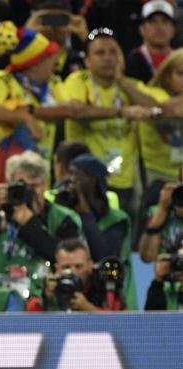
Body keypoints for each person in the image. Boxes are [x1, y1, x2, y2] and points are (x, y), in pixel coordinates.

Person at [63, 28, 160, 218]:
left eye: (113, 52)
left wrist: (121, 80)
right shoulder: (77, 80)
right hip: (86, 178)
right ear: (87, 60)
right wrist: (121, 112)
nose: (108, 58)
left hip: (126, 179)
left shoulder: (129, 84)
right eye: (100, 53)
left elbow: (155, 109)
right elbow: (77, 111)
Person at [0, 150, 81, 298]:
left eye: (35, 186)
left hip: (42, 300)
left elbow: (70, 262)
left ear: (45, 185)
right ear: (8, 184)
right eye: (22, 186)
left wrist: (30, 223)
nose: (29, 192)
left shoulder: (63, 218)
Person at [0, 21, 77, 186]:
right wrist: (22, 117)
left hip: (38, 173)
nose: (56, 63)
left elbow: (69, 110)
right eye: (50, 57)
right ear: (35, 63)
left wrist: (30, 112)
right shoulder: (2, 79)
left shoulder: (54, 84)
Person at [26, 238, 125, 311]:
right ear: (57, 268)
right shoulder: (49, 285)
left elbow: (125, 323)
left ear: (90, 265)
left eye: (78, 266)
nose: (72, 272)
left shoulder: (104, 284)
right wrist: (45, 299)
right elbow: (27, 320)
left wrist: (89, 309)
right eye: (66, 267)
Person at [140, 48, 183, 188]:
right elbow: (163, 110)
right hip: (155, 173)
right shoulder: (152, 94)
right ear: (166, 75)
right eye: (181, 74)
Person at [23, 0, 88, 79]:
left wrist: (86, 38)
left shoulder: (80, 59)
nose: (54, 27)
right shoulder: (26, 61)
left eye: (61, 20)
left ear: (71, 21)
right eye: (47, 19)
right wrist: (26, 34)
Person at [126, 1, 178, 84]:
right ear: (142, 29)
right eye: (153, 21)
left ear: (173, 29)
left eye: (164, 21)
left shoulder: (180, 61)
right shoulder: (129, 63)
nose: (159, 27)